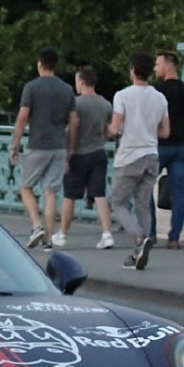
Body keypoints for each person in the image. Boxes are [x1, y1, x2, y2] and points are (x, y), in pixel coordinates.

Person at [9, 47, 76, 251]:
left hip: (37, 145)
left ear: (40, 64)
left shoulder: (32, 87)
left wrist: (15, 145)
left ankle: (36, 225)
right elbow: (73, 122)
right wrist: (69, 149)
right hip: (58, 147)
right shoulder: (67, 89)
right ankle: (47, 239)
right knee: (50, 193)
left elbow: (22, 119)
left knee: (26, 187)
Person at [107, 52, 169, 271]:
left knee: (118, 203)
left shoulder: (123, 95)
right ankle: (139, 253)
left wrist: (106, 130)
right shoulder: (160, 97)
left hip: (129, 155)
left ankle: (139, 238)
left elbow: (114, 129)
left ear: (133, 71)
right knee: (143, 203)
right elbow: (165, 132)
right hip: (151, 154)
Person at [55, 65, 114, 249]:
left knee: (70, 196)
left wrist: (67, 152)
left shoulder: (76, 104)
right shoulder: (105, 104)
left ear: (81, 81)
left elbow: (70, 128)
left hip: (78, 153)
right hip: (99, 152)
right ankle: (107, 234)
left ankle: (63, 234)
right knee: (99, 194)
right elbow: (109, 131)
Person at [151, 50, 184, 250]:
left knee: (145, 189)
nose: (155, 67)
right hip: (181, 146)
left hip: (161, 146)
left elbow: (153, 119)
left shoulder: (157, 91)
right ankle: (174, 237)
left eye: (158, 64)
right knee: (179, 192)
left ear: (169, 65)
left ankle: (150, 234)